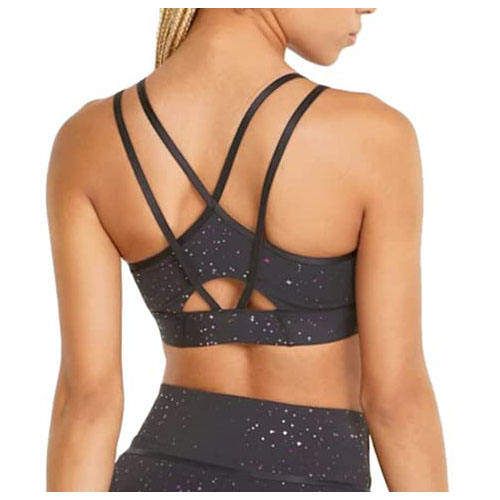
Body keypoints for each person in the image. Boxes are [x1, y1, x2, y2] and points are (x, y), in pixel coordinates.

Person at [45, 8, 448, 492]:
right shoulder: (373, 136)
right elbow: (396, 399)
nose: (368, 5)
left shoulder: (88, 140)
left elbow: (86, 403)